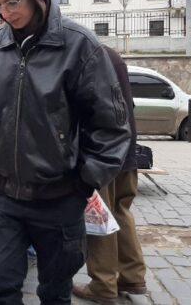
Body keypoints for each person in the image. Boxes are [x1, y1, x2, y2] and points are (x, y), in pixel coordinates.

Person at [0, 0, 131, 304]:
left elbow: (111, 127)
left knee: (55, 292)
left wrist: (83, 181)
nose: (7, 13)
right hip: (0, 193)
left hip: (60, 197)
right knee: (0, 288)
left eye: (13, 1)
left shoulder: (80, 46)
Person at [72, 46, 146, 303]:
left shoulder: (85, 56)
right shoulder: (112, 55)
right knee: (122, 211)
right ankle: (132, 276)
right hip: (126, 149)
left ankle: (103, 285)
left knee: (99, 218)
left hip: (102, 153)